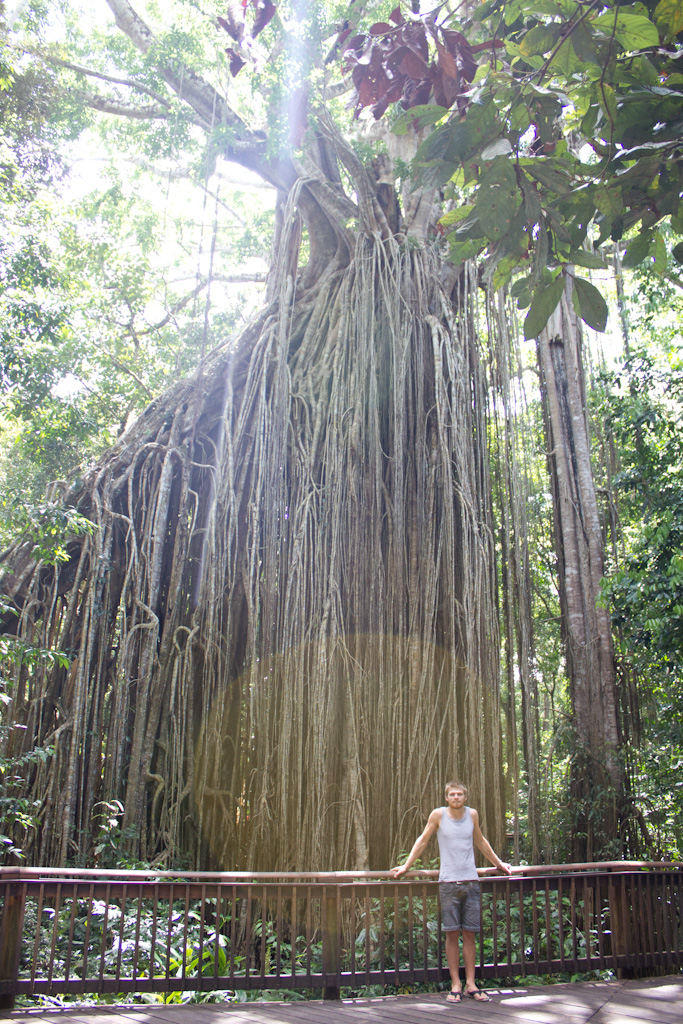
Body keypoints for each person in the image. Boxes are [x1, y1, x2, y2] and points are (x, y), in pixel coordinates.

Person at [391, 779, 512, 1004]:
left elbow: (480, 841)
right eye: (452, 794)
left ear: (465, 797)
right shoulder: (438, 815)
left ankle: (471, 984)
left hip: (471, 882)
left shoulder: (472, 815)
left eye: (459, 794)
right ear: (446, 797)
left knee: (470, 934)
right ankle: (455, 983)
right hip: (448, 883)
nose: (456, 797)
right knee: (451, 934)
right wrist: (407, 866)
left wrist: (499, 863)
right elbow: (423, 840)